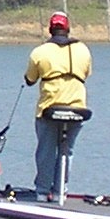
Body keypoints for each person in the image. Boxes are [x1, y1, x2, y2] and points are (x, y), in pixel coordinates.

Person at [24, 12, 91, 200]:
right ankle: (61, 188)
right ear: (68, 29)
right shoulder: (83, 49)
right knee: (66, 150)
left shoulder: (39, 52)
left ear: (50, 29)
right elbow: (86, 74)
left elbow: (30, 79)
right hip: (78, 108)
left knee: (46, 150)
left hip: (49, 109)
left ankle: (43, 192)